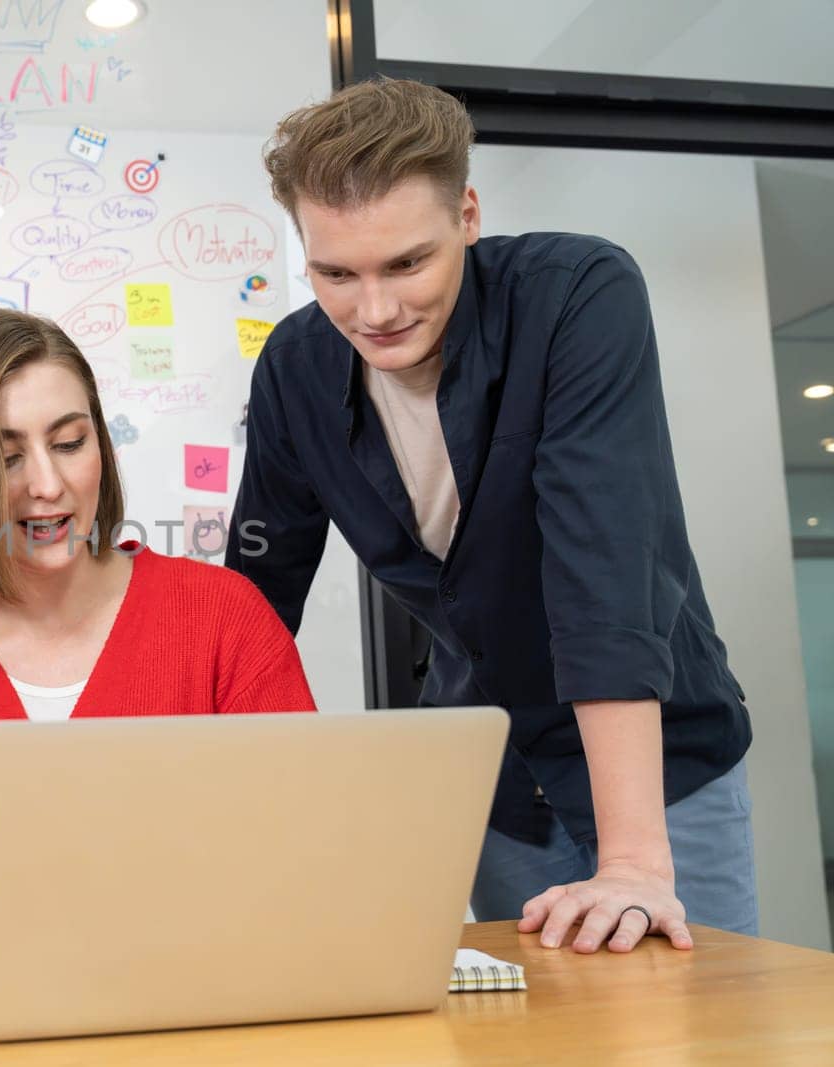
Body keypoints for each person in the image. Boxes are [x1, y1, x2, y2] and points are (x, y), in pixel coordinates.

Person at [228, 78, 755, 955]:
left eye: (407, 263)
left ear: (467, 214)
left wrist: (631, 859)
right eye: (335, 273)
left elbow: (604, 569)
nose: (376, 310)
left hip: (655, 772)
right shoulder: (294, 368)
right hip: (493, 776)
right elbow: (253, 600)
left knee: (692, 1036)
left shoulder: (577, 295)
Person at [0, 309, 317, 978]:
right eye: (7, 457)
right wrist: (1, 931)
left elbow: (298, 839)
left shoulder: (226, 617)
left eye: (71, 442)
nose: (47, 485)